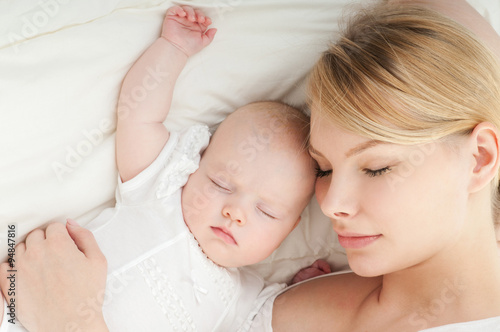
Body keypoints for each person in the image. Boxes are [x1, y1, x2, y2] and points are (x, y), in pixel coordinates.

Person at [0, 5, 319, 332]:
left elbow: (274, 318)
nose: (234, 212)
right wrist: (174, 49)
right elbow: (139, 116)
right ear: (196, 162)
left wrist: (305, 287)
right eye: (221, 184)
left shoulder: (245, 300)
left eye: (266, 211)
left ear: (291, 228)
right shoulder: (160, 192)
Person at [248, 1, 500, 331]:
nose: (332, 205)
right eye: (323, 168)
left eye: (377, 168)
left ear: (479, 158)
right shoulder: (274, 313)